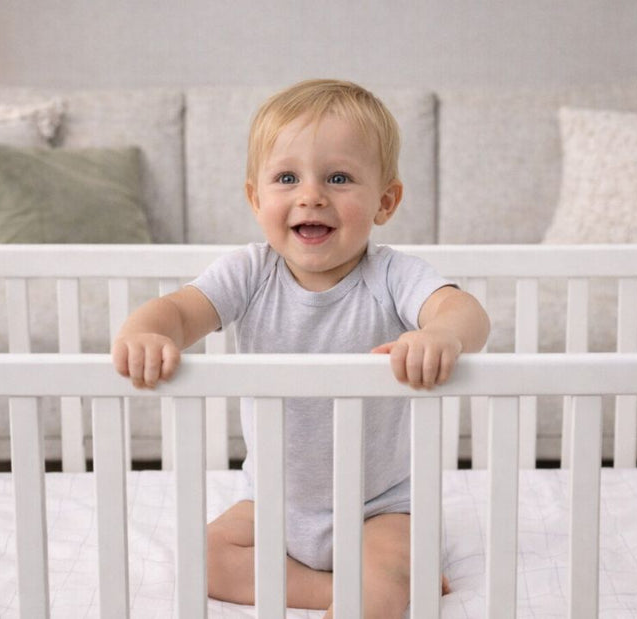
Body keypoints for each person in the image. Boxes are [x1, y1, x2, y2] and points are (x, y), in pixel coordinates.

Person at [111, 78, 490, 618]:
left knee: (389, 573)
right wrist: (146, 333)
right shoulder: (249, 272)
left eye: (339, 178)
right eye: (287, 178)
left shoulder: (391, 275)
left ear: (385, 201)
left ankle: (381, 587)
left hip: (380, 506)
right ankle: (332, 594)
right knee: (200, 557)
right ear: (255, 197)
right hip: (273, 503)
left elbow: (463, 311)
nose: (311, 195)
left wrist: (439, 336)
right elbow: (177, 310)